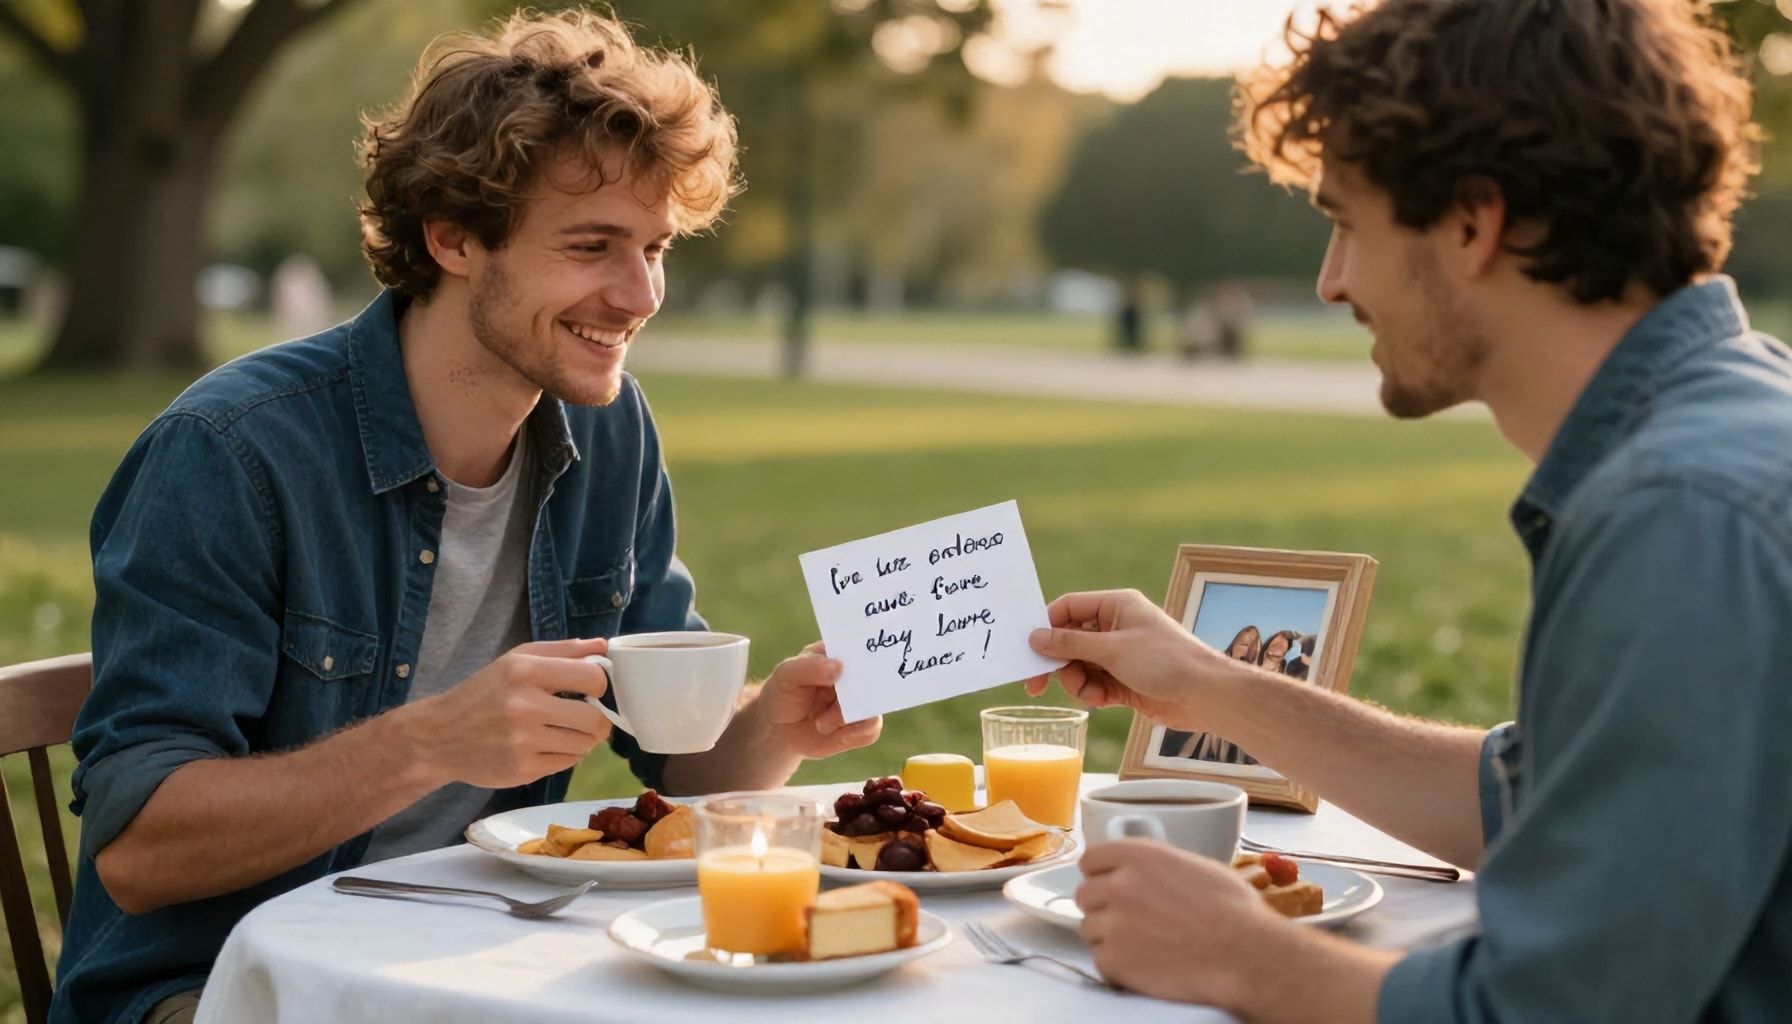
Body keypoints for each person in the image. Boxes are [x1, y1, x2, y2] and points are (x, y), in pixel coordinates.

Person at [52, 13, 881, 1023]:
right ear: (450, 237)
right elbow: (139, 852)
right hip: (221, 985)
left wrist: (770, 724)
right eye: (592, 246)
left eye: (656, 247)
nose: (640, 294)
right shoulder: (231, 453)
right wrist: (431, 741)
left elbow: (678, 757)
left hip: (484, 962)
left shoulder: (605, 430)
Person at [1025, 1, 1791, 1020]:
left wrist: (1240, 955)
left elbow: (1552, 1009)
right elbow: (1530, 800)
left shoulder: (1679, 512)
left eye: (1345, 221)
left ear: (1472, 221)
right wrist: (1210, 686)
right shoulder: (1722, 423)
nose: (1331, 280)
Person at [1158, 625, 1259, 758]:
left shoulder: (1258, 690)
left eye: (1254, 647)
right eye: (1244, 644)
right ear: (1233, 647)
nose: (1249, 651)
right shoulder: (1212, 672)